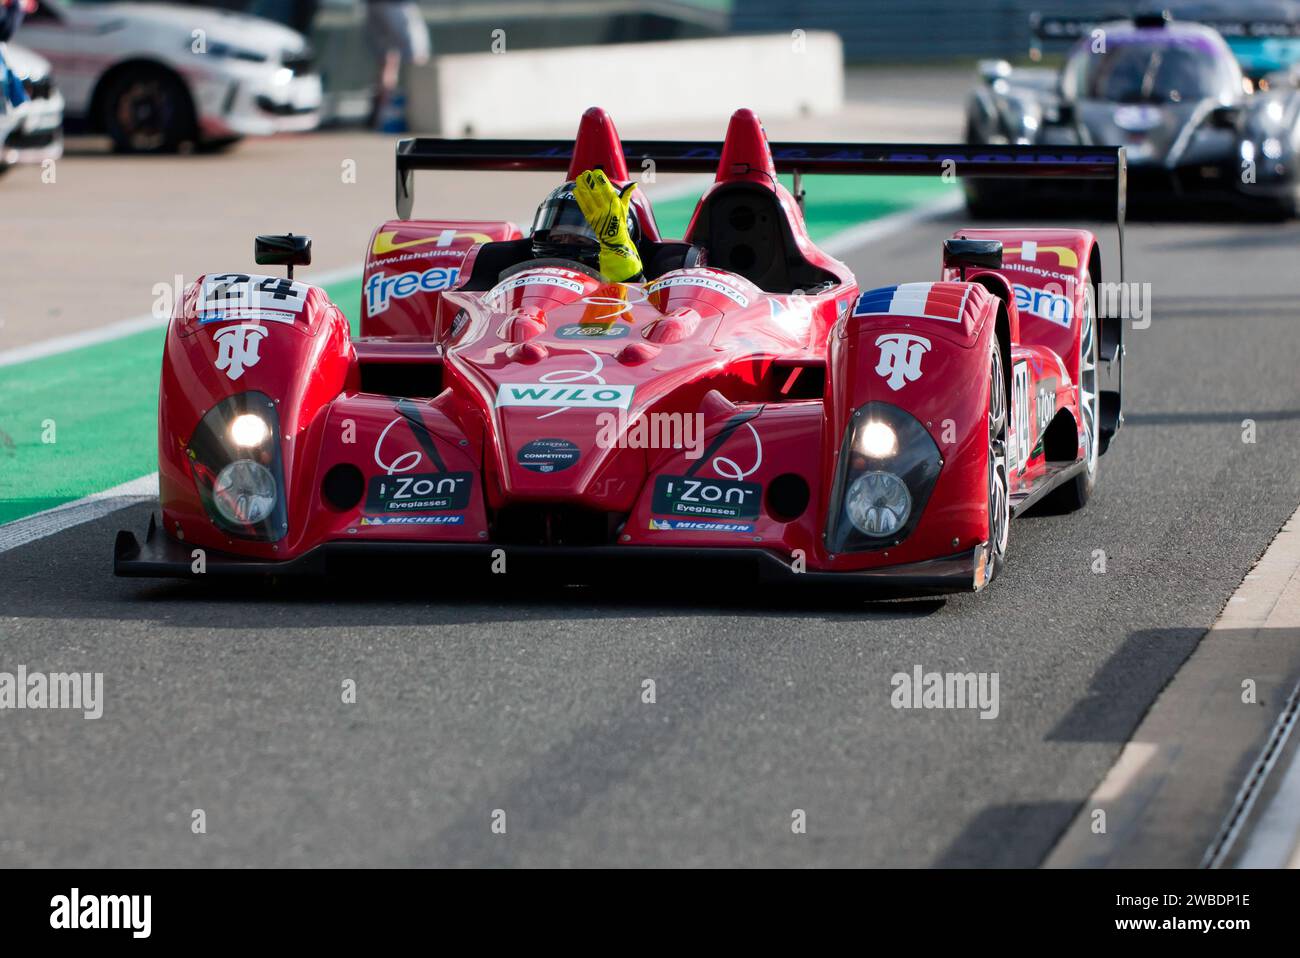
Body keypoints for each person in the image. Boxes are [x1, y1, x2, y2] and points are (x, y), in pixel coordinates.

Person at [530, 169, 644, 283]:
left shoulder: (653, 270)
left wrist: (618, 253)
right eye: (556, 239)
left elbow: (634, 297)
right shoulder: (515, 256)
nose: (564, 245)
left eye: (579, 241)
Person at [364, 0, 430, 132]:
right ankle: (421, 112)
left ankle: (383, 115)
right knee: (417, 55)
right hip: (397, 6)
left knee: (388, 58)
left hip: (372, 6)